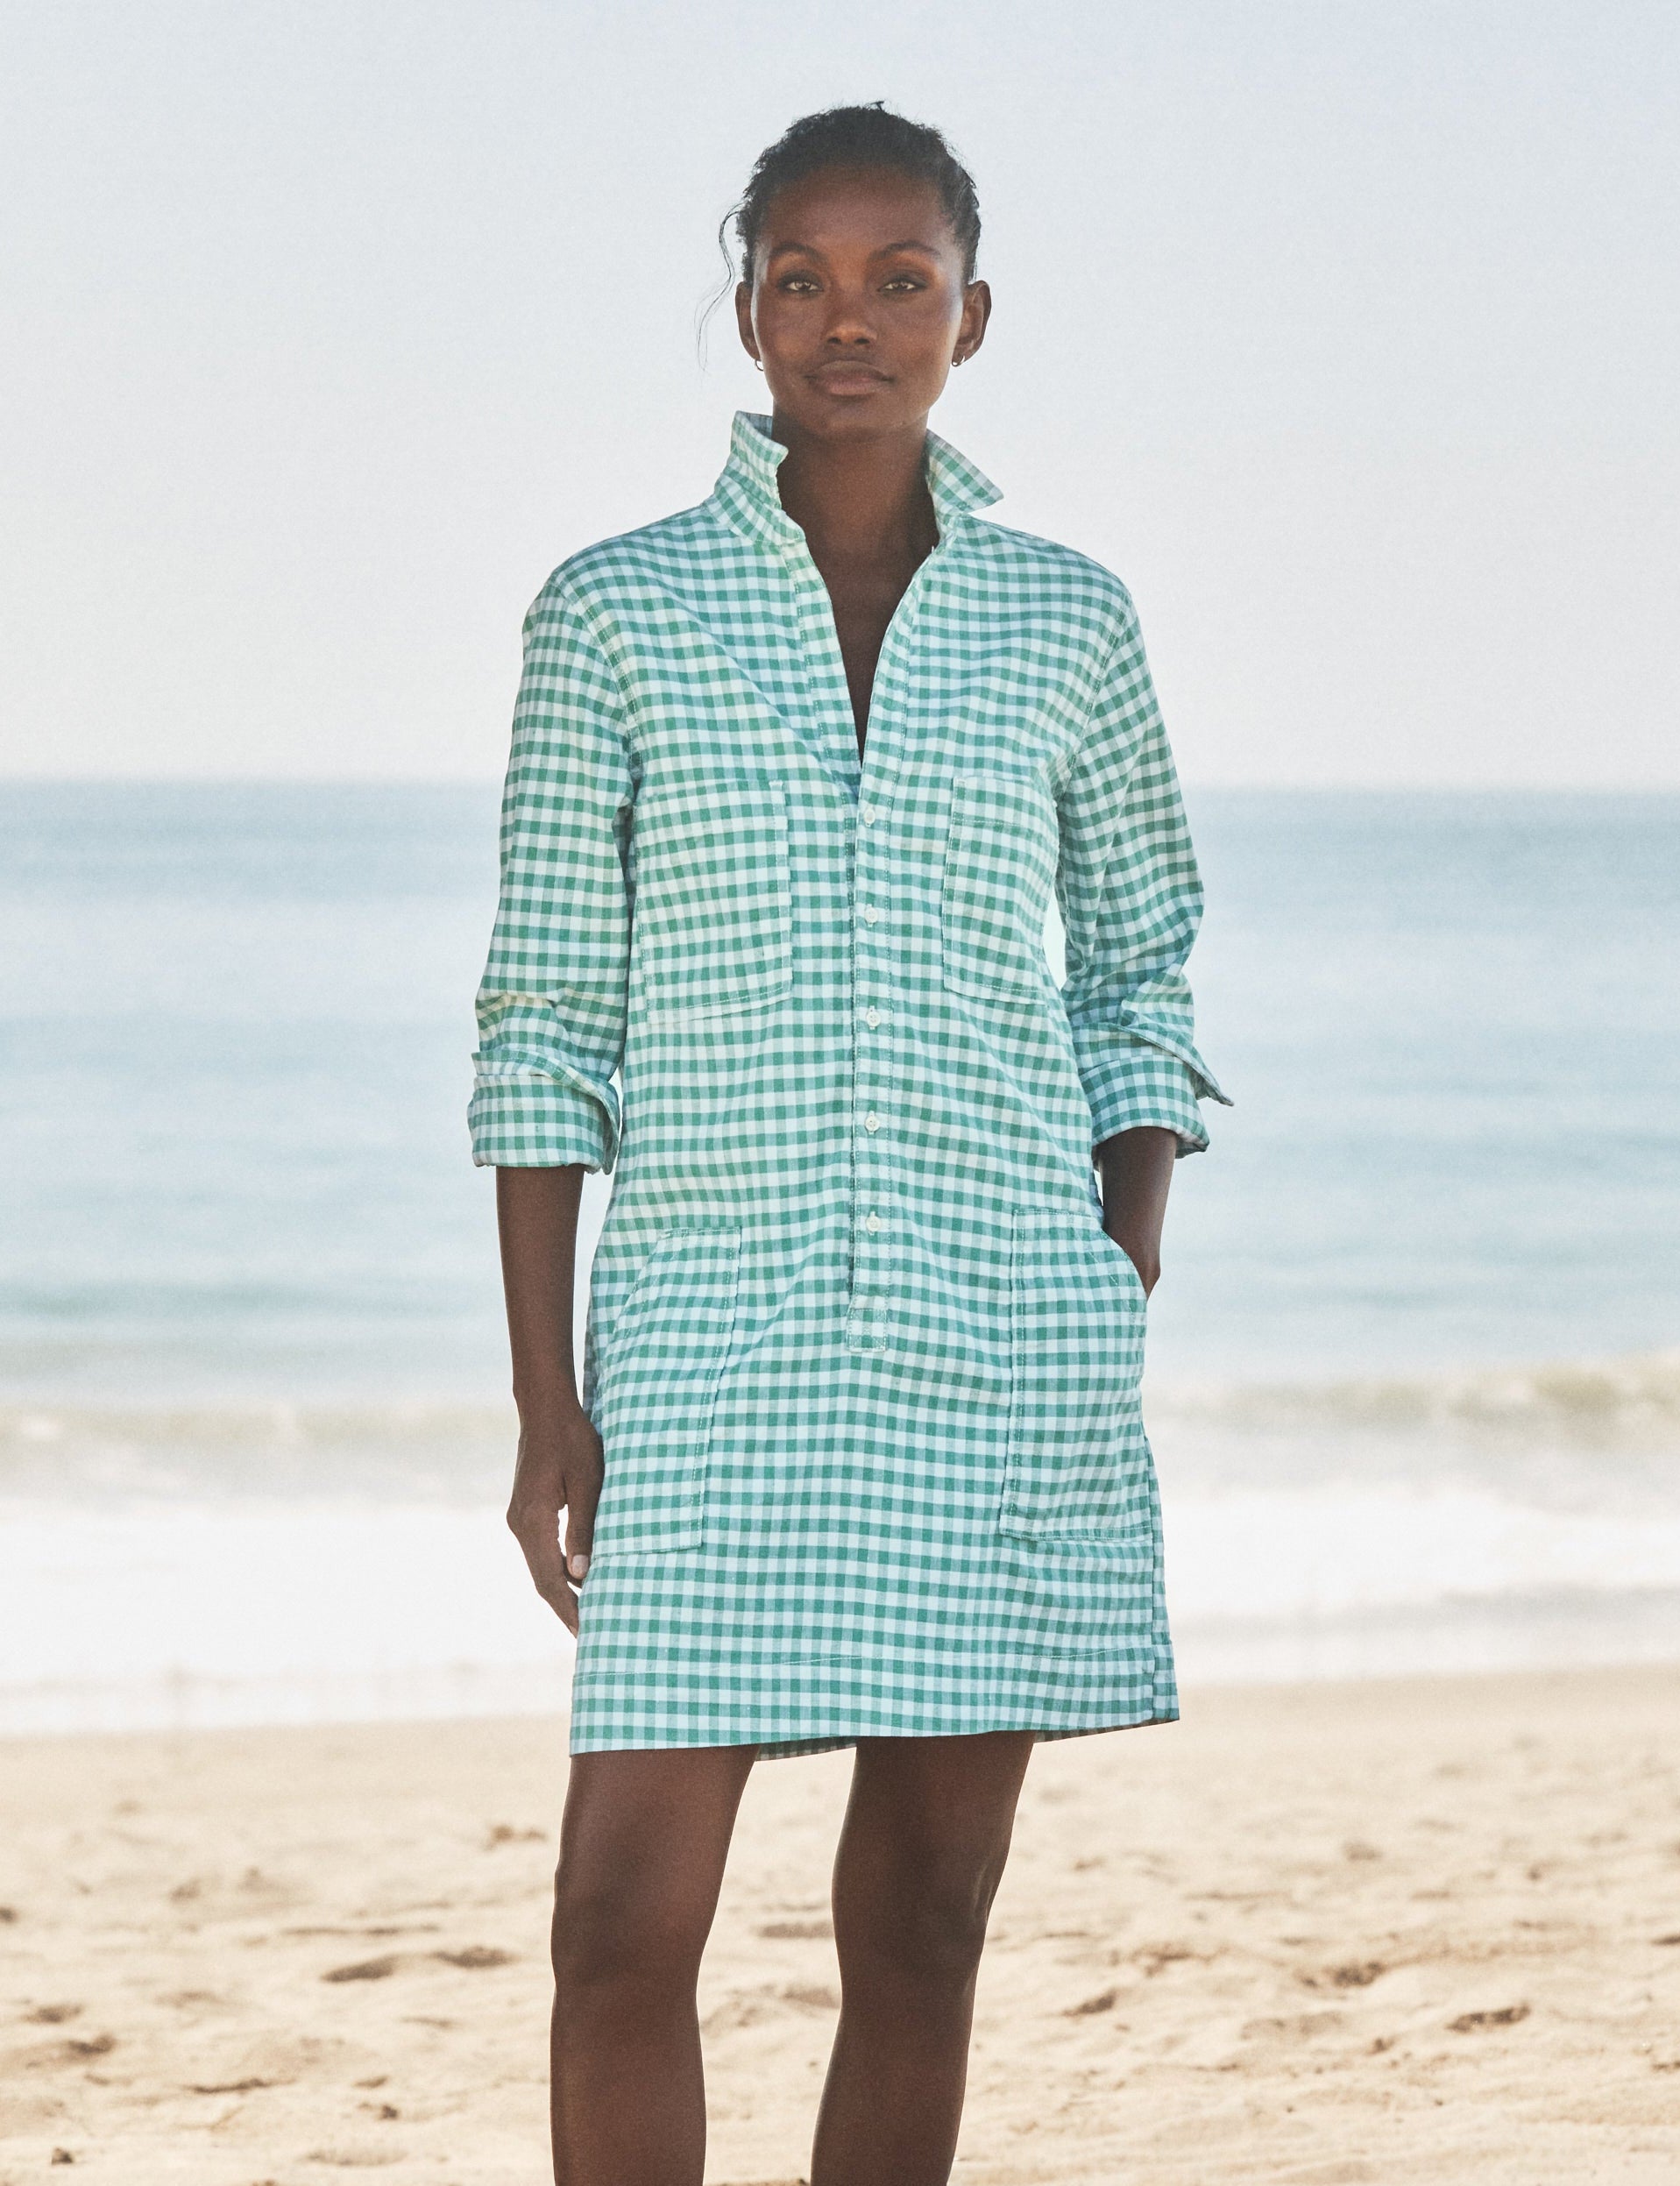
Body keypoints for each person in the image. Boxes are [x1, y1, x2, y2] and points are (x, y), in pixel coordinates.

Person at [469, 99, 1230, 2186]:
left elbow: (1141, 965)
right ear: (742, 312)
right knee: (616, 1923)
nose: (849, 321)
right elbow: (544, 1027)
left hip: (994, 1344)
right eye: (800, 277)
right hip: (705, 1343)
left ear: (972, 318)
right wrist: (549, 1400)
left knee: (919, 1928)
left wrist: (1117, 1253)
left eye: (900, 280)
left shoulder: (1065, 622)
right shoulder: (611, 613)